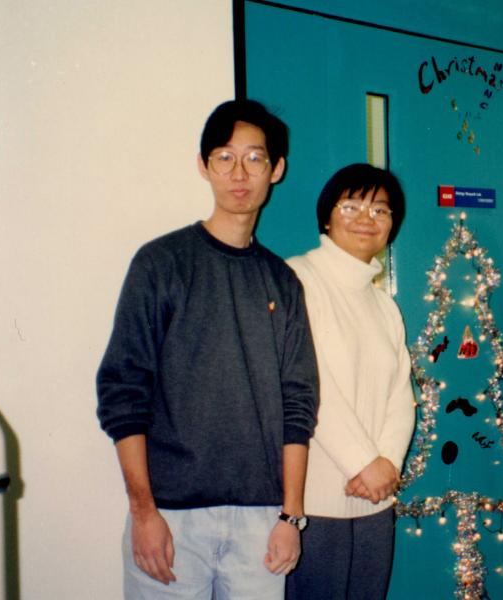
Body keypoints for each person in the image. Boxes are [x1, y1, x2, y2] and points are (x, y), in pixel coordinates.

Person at [96, 99, 319, 599]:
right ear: (203, 165)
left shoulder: (283, 282)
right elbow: (122, 392)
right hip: (171, 519)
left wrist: (290, 514)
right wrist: (143, 512)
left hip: (261, 523)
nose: (239, 173)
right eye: (224, 156)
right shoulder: (160, 263)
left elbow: (298, 404)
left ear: (276, 170)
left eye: (255, 158)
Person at [285, 163, 416, 600]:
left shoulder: (384, 305)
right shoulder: (298, 279)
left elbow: (402, 397)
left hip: (376, 499)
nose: (367, 218)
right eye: (352, 205)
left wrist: (388, 465)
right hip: (316, 498)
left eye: (381, 210)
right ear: (326, 216)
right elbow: (305, 383)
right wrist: (365, 461)